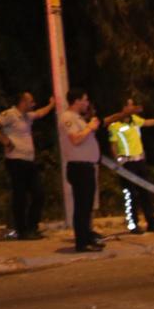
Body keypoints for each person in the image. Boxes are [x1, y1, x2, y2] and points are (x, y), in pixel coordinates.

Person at [0, 92, 56, 240]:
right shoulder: (10, 114)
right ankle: (22, 231)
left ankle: (32, 227)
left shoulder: (27, 116)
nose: (33, 104)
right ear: (23, 102)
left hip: (29, 161)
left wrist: (52, 104)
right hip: (15, 161)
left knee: (39, 194)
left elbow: (40, 113)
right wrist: (5, 141)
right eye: (31, 101)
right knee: (20, 197)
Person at [106, 98, 154, 234]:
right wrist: (118, 162)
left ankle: (152, 222)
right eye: (130, 105)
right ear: (123, 108)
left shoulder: (134, 119)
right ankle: (133, 224)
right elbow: (113, 145)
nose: (133, 107)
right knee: (130, 194)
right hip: (127, 163)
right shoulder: (114, 125)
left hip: (139, 161)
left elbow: (147, 122)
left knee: (145, 193)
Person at [59, 88, 103, 252]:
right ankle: (82, 243)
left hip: (86, 167)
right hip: (79, 168)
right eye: (85, 100)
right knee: (82, 206)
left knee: (87, 206)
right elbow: (75, 139)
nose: (87, 103)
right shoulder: (68, 117)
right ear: (76, 101)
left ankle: (87, 237)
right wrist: (90, 128)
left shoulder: (78, 118)